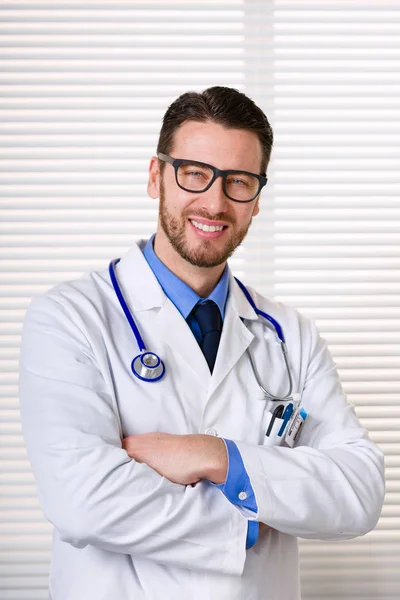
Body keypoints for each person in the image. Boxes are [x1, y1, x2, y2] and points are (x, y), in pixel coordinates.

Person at [19, 86, 385, 600]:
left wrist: (219, 458)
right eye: (195, 173)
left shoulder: (290, 335)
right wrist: (256, 520)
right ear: (156, 177)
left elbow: (359, 493)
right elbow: (83, 501)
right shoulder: (71, 319)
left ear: (257, 200)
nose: (215, 201)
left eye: (239, 182)